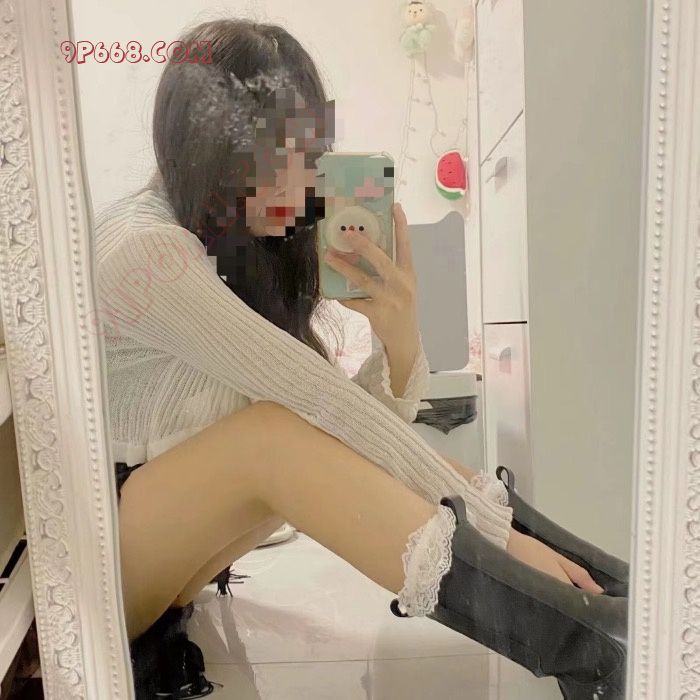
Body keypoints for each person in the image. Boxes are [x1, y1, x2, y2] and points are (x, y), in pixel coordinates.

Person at [94, 17, 627, 700]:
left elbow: (344, 436)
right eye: (270, 157)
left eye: (308, 154)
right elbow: (325, 409)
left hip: (161, 554)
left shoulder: (223, 243)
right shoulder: (146, 252)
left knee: (298, 431)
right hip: (102, 562)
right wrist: (501, 534)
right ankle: (596, 652)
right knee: (272, 436)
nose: (299, 184)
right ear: (207, 150)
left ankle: (618, 597)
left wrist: (398, 336)